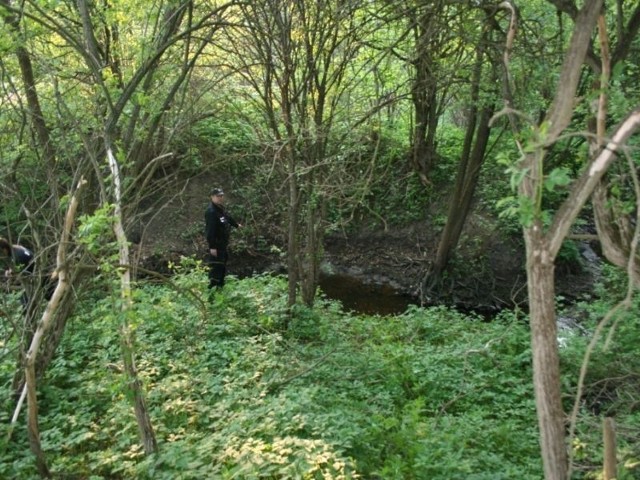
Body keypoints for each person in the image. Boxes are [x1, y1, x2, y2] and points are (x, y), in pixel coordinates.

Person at [204, 188, 241, 290]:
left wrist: (236, 225)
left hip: (223, 244)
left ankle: (220, 287)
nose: (220, 198)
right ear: (212, 197)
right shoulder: (211, 211)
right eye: (218, 196)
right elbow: (210, 230)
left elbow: (227, 218)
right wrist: (212, 246)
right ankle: (212, 289)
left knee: (222, 265)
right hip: (216, 244)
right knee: (216, 266)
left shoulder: (220, 209)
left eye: (221, 196)